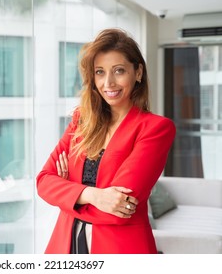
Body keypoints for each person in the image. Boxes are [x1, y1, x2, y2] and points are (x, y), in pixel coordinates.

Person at [36, 28, 176, 254]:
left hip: (120, 248)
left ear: (138, 72)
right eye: (100, 72)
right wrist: (93, 195)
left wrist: (67, 193)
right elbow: (43, 182)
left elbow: (119, 209)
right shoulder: (81, 120)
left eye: (119, 71)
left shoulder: (155, 128)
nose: (108, 83)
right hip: (66, 244)